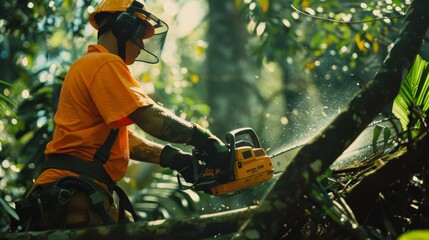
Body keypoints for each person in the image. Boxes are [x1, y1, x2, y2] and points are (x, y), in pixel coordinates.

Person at [11, 0, 229, 231]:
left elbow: (120, 140)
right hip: (73, 196)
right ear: (123, 28)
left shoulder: (92, 66)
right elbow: (151, 119)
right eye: (139, 35)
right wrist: (205, 139)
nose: (141, 44)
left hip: (67, 194)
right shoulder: (104, 63)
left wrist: (173, 158)